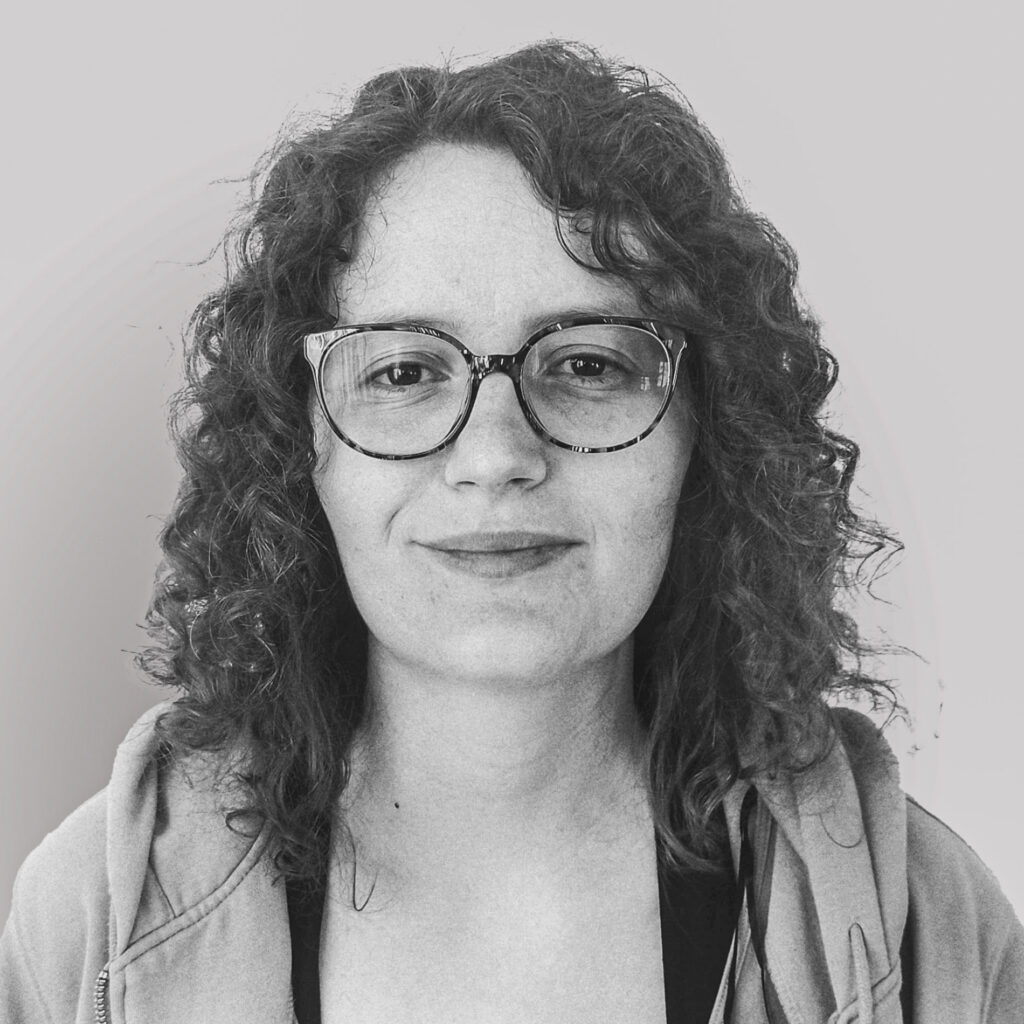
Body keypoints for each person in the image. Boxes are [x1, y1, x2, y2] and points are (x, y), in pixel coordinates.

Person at [1, 39, 1020, 1024]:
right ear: (299, 446)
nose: (494, 455)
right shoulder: (85, 920)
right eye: (403, 371)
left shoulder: (926, 919)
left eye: (587, 365)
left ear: (707, 436)